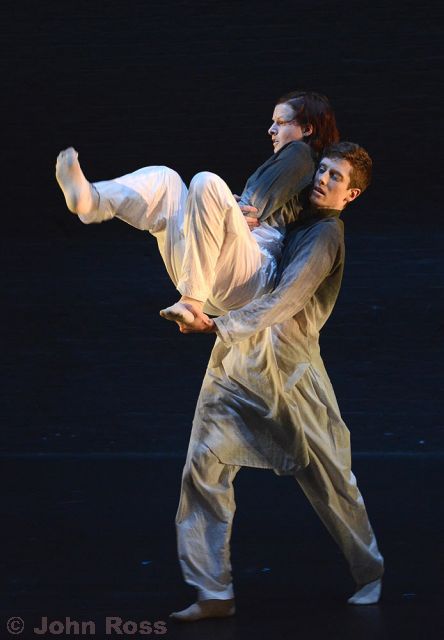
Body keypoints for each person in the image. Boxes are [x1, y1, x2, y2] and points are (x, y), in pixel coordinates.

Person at [169, 142, 385, 622]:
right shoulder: (294, 211)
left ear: (351, 194)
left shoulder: (325, 235)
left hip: (289, 374)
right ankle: (213, 592)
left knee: (331, 478)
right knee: (203, 467)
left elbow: (286, 299)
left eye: (335, 177)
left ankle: (369, 571)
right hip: (237, 363)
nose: (322, 179)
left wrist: (219, 326)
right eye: (323, 170)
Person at [55, 92, 339, 323]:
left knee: (206, 182)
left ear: (307, 129)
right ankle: (92, 200)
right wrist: (226, 208)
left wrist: (234, 205)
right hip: (210, 275)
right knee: (166, 179)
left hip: (253, 274)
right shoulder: (296, 165)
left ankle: (191, 302)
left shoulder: (302, 154)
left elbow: (251, 207)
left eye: (280, 122)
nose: (271, 129)